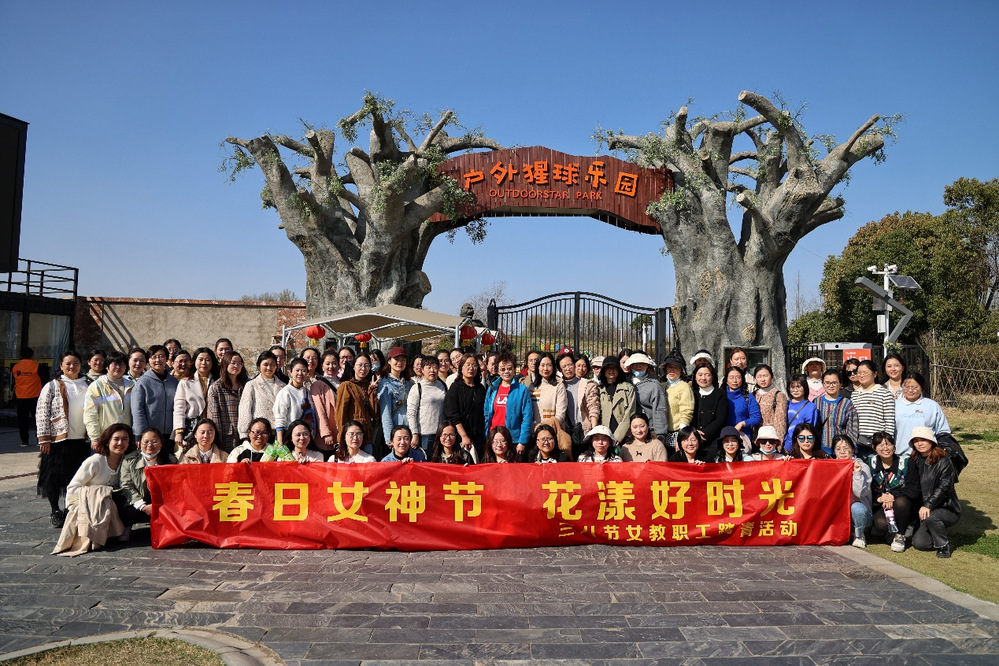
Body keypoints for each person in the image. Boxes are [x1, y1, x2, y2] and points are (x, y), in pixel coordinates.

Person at [52, 423, 130, 554]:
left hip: (112, 502)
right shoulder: (95, 461)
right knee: (105, 500)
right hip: (87, 503)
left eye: (124, 439)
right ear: (108, 441)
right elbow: (73, 488)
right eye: (116, 439)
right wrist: (96, 494)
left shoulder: (127, 461)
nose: (120, 443)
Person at [37, 350, 92, 528]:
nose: (72, 366)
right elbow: (42, 412)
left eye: (75, 363)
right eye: (67, 363)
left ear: (81, 365)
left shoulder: (88, 384)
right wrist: (44, 438)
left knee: (76, 477)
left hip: (82, 440)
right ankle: (55, 511)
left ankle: (71, 510)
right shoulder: (52, 386)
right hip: (58, 441)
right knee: (54, 477)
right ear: (61, 366)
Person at [901, 426, 961, 558]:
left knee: (931, 517)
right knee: (920, 544)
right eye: (916, 441)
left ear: (931, 441)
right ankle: (933, 530)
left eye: (923, 440)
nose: (919, 444)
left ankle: (943, 545)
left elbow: (944, 487)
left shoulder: (944, 461)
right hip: (923, 509)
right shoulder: (914, 460)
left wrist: (928, 505)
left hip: (945, 508)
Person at [119, 427, 177, 540]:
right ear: (139, 443)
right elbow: (126, 485)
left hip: (162, 501)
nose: (150, 445)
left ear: (161, 443)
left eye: (154, 441)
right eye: (146, 442)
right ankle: (127, 528)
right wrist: (143, 506)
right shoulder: (129, 460)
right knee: (129, 511)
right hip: (139, 499)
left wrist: (159, 505)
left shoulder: (171, 460)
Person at [867, 431, 914, 552]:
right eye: (881, 445)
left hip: (903, 504)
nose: (885, 448)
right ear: (874, 448)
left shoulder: (906, 462)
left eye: (888, 444)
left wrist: (892, 496)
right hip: (882, 505)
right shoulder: (870, 462)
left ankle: (901, 534)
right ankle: (890, 532)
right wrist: (879, 498)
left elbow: (913, 488)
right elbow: (868, 487)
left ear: (894, 446)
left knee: (901, 502)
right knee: (881, 524)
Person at [484, 353, 534, 458]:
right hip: (495, 438)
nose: (506, 372)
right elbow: (486, 414)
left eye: (510, 368)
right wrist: (487, 435)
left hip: (513, 440)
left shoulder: (522, 390)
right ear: (498, 371)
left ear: (514, 369)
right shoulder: (492, 389)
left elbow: (527, 417)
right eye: (502, 369)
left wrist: (522, 441)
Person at [83, 350, 133, 449]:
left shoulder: (131, 386)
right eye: (115, 364)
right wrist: (95, 437)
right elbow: (90, 413)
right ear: (107, 366)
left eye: (121, 364)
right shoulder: (97, 386)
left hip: (126, 438)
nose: (118, 367)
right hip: (105, 437)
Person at [894, 371, 950, 457]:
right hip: (900, 455)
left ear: (921, 387)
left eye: (914, 387)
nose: (910, 390)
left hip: (926, 456)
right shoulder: (894, 405)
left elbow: (943, 430)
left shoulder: (932, 406)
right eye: (906, 387)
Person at [831, 434, 873, 548]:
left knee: (857, 508)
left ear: (853, 449)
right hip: (840, 513)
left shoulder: (863, 467)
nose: (842, 452)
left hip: (861, 515)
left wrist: (857, 473)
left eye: (846, 448)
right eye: (838, 449)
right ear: (834, 451)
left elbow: (859, 493)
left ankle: (859, 535)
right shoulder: (831, 466)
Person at [444, 353, 487, 462]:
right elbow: (453, 414)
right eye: (467, 365)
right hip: (460, 436)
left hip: (478, 436)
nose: (471, 368)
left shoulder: (480, 388)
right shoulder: (455, 388)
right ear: (461, 367)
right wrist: (464, 436)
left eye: (474, 365)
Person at [131, 346, 179, 442]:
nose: (158, 360)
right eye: (154, 357)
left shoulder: (174, 381)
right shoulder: (143, 382)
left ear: (166, 359)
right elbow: (137, 410)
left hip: (171, 434)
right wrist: (140, 434)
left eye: (161, 356)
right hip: (150, 434)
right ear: (148, 360)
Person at [172, 347, 216, 452]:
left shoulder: (217, 381)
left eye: (207, 360)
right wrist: (179, 432)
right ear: (194, 361)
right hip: (191, 429)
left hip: (211, 429)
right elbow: (179, 408)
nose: (204, 363)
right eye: (200, 359)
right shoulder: (185, 382)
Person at [333, 353, 379, 453]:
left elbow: (374, 413)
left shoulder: (367, 385)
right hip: (352, 437)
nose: (363, 368)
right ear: (353, 367)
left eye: (367, 365)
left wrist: (373, 392)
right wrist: (342, 438)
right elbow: (340, 414)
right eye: (360, 365)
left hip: (366, 436)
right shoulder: (346, 386)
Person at [237, 350, 286, 441]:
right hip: (259, 434)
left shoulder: (283, 386)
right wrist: (244, 434)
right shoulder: (252, 385)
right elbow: (245, 410)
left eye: (272, 364)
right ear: (259, 366)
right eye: (265, 364)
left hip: (278, 433)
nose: (269, 368)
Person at [851, 359, 895, 457]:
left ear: (874, 374)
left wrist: (886, 443)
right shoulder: (854, 394)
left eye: (865, 372)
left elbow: (889, 421)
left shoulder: (884, 393)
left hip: (877, 443)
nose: (861, 375)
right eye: (859, 373)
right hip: (859, 443)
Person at [206, 351, 248, 453]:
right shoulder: (216, 387)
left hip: (245, 434)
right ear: (225, 364)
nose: (236, 366)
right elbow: (214, 416)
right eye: (233, 363)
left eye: (239, 363)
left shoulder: (246, 385)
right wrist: (217, 438)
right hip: (226, 435)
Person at [407, 355, 447, 455]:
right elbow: (411, 413)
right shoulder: (417, 388)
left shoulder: (443, 385)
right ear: (422, 370)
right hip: (424, 434)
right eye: (428, 367)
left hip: (441, 434)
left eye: (435, 367)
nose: (432, 370)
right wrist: (415, 434)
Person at [558, 352, 599, 447]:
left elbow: (593, 407)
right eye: (564, 366)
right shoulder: (558, 386)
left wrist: (594, 429)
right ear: (560, 369)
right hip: (565, 432)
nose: (568, 368)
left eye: (570, 365)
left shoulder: (588, 385)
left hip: (585, 431)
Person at [272, 357, 316, 446]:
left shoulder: (307, 392)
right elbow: (280, 418)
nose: (300, 373)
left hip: (306, 439)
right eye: (297, 370)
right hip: (291, 439)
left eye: (303, 371)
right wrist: (280, 441)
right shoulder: (285, 392)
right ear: (291, 372)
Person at [813, 369, 859, 451]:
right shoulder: (816, 402)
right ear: (823, 384)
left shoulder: (847, 404)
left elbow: (853, 429)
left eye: (834, 383)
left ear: (840, 384)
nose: (831, 386)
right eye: (827, 383)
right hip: (819, 449)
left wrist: (851, 448)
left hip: (840, 451)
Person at [625, 353, 669, 440]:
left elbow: (659, 409)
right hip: (628, 430)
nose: (638, 366)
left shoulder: (654, 385)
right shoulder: (626, 382)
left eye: (642, 364)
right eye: (635, 364)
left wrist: (660, 433)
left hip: (648, 430)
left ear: (647, 366)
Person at [660, 350, 695, 452]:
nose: (672, 370)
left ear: (681, 370)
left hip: (677, 432)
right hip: (663, 432)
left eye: (675, 367)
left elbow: (686, 412)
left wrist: (681, 436)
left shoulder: (684, 387)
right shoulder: (663, 386)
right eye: (669, 367)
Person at [597, 356, 637, 445]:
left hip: (624, 436)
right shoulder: (599, 389)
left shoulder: (628, 388)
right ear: (603, 371)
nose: (611, 371)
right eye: (608, 368)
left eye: (614, 368)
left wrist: (618, 436)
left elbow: (630, 412)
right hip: (604, 435)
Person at [378, 347, 413, 445]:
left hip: (408, 430)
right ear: (389, 361)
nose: (400, 363)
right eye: (396, 359)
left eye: (403, 360)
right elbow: (385, 413)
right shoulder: (385, 384)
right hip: (395, 431)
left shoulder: (407, 383)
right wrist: (389, 438)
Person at [724, 365, 761, 451]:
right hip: (724, 437)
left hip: (742, 437)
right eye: (731, 377)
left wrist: (742, 424)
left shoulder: (748, 397)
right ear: (726, 380)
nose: (735, 380)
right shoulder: (721, 395)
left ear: (742, 379)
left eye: (738, 377)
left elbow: (756, 417)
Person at [692, 363, 727, 450]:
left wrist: (704, 434)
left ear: (713, 377)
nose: (703, 378)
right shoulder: (691, 393)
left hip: (713, 441)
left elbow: (720, 419)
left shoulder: (720, 394)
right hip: (692, 439)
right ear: (695, 377)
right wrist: (694, 433)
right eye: (700, 375)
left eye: (707, 375)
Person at [309, 354, 338, 458]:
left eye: (334, 363)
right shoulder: (317, 385)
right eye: (327, 363)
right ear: (322, 365)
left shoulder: (342, 383)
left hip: (341, 431)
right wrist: (326, 433)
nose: (331, 367)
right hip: (328, 431)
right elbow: (319, 410)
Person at [530, 352, 567, 430]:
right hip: (534, 432)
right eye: (542, 365)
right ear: (538, 367)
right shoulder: (532, 387)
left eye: (549, 365)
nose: (545, 368)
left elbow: (560, 415)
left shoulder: (559, 386)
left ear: (553, 367)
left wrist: (544, 428)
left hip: (552, 432)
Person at [13, 347, 41, 448]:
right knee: (38, 419)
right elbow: (44, 380)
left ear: (20, 356)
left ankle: (24, 441)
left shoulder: (16, 367)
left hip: (21, 397)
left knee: (22, 420)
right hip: (35, 397)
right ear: (32, 356)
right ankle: (39, 440)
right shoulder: (37, 366)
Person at [784, 374, 819, 453]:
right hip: (784, 445)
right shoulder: (785, 404)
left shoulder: (811, 407)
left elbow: (810, 429)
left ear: (805, 387)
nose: (795, 390)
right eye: (792, 387)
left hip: (801, 445)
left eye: (798, 387)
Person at [753, 364, 788, 443]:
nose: (762, 379)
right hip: (755, 439)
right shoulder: (753, 395)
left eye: (765, 376)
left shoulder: (779, 396)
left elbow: (780, 423)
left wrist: (778, 443)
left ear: (771, 376)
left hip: (770, 440)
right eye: (759, 376)